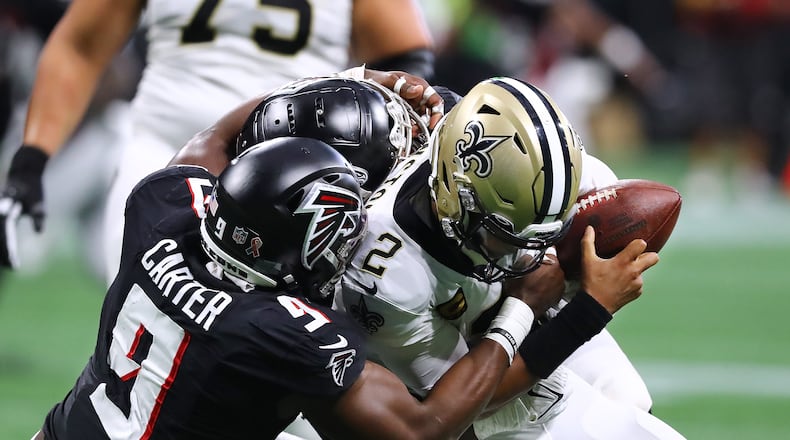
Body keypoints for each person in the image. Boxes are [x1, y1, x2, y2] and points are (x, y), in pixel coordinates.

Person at [30, 133, 651, 440]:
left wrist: (316, 97)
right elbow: (422, 428)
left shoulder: (163, 211)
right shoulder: (277, 329)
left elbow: (209, 145)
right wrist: (529, 310)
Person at [328, 76, 685, 439]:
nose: (526, 254)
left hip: (508, 315)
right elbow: (459, 406)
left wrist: (587, 269)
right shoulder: (387, 276)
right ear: (454, 197)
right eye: (504, 234)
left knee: (630, 397)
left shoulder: (544, 171)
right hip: (455, 388)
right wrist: (583, 309)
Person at [0, 0, 435, 283]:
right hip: (166, 154)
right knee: (149, 314)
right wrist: (32, 158)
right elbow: (82, 45)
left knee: (281, 342)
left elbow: (403, 59)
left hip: (296, 170)